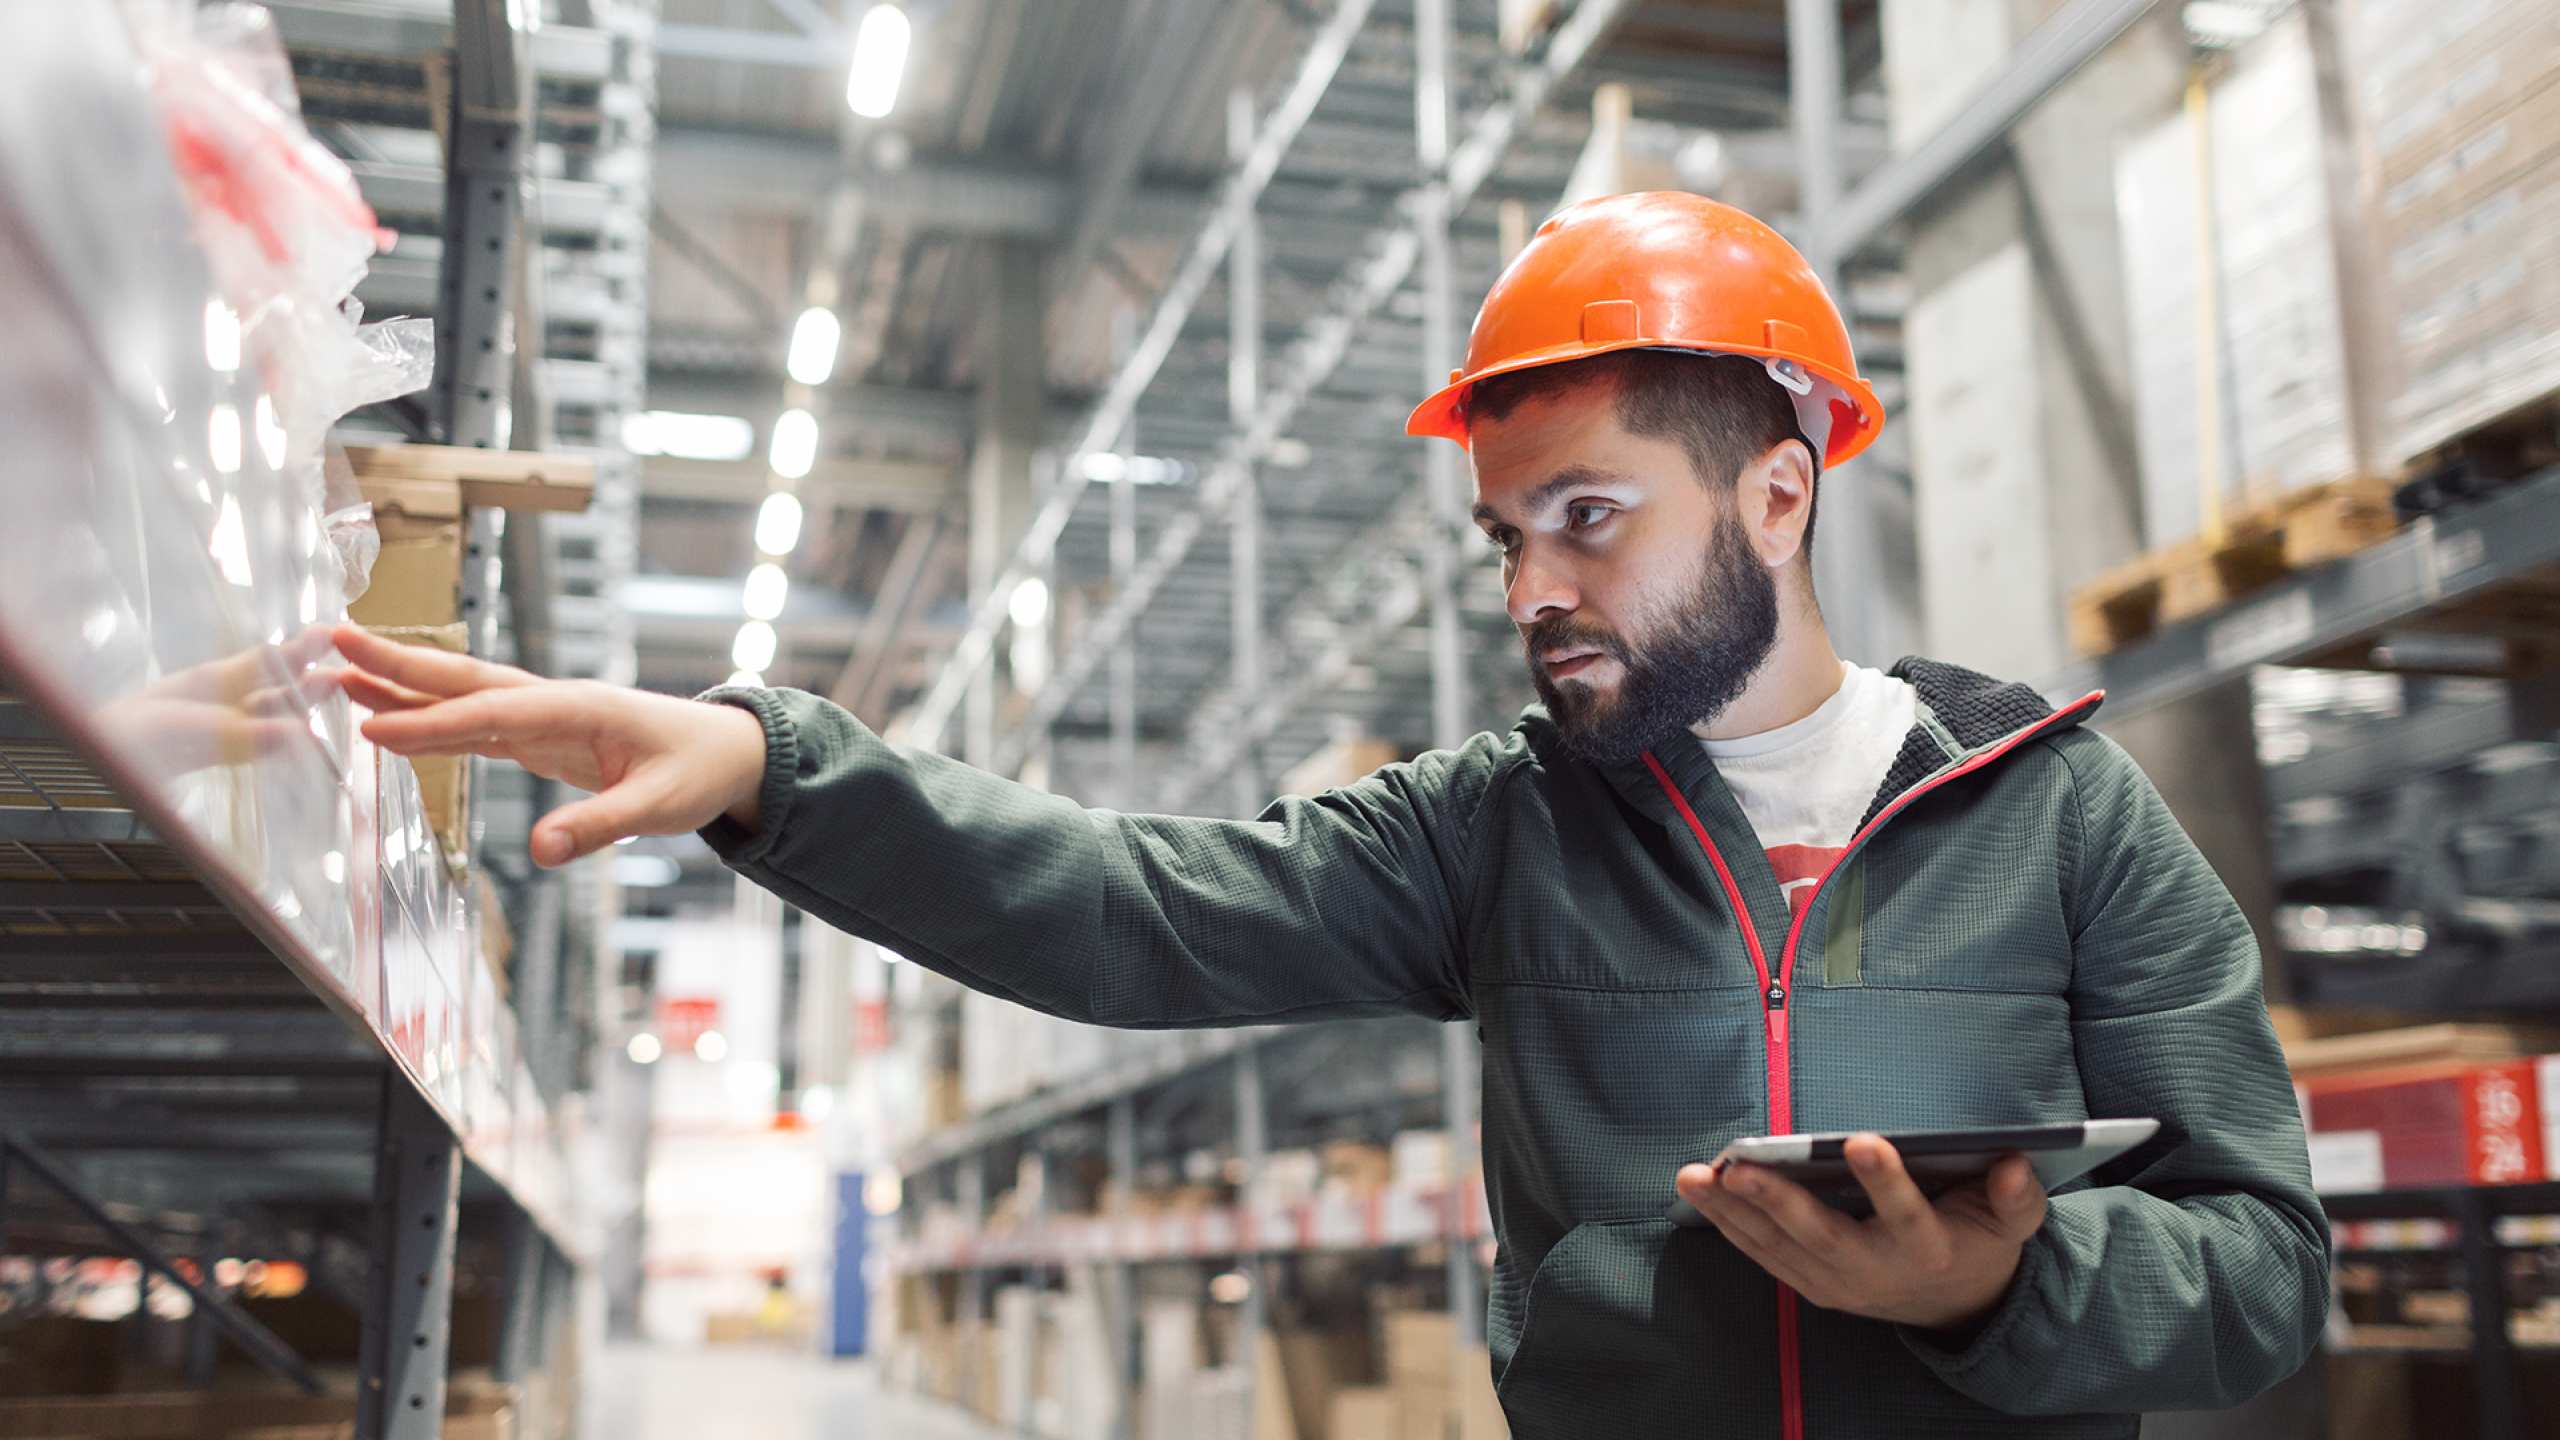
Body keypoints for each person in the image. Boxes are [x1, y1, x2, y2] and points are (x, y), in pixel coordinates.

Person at [333, 193, 2326, 1438]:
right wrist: (781, 767)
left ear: (1778, 497)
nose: (1530, 586)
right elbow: (1130, 911)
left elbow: (2257, 1272)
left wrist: (1988, 1287)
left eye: (1590, 518)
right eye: (1503, 537)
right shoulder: (1494, 832)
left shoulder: (2061, 821)